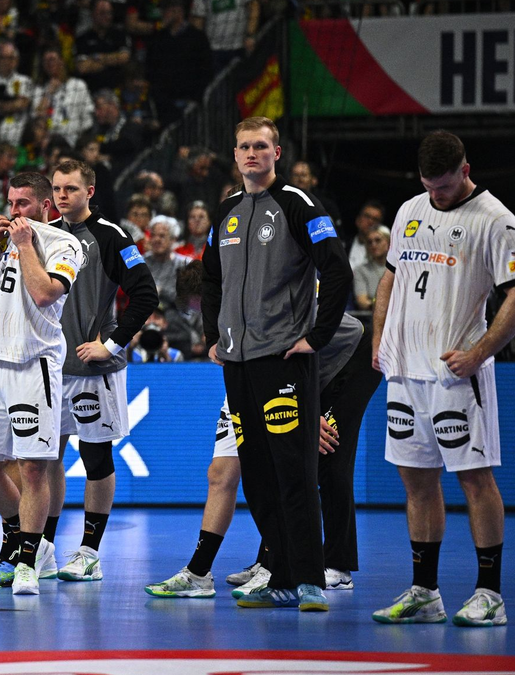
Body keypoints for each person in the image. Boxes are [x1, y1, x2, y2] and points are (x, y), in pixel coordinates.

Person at [370, 130, 515, 627]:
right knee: (416, 483)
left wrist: (478, 353)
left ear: (465, 171)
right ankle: (425, 592)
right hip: (405, 372)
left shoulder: (497, 221)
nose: (435, 196)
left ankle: (490, 594)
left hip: (455, 377)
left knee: (474, 480)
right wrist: (380, 338)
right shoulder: (409, 210)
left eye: (442, 188)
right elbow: (391, 276)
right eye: (428, 186)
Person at [146, 263, 381, 599]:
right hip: (290, 372)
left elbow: (294, 356)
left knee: (328, 460)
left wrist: (306, 413)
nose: (200, 316)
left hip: (348, 359)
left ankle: (338, 566)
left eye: (201, 306)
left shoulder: (259, 303)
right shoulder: (230, 306)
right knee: (272, 461)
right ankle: (270, 558)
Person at [200, 116, 352, 612]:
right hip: (237, 362)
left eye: (260, 146)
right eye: (243, 146)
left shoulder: (298, 204)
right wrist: (213, 337)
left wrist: (316, 337)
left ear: (276, 152)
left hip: (283, 360)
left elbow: (336, 268)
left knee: (292, 470)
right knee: (259, 476)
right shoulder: (225, 212)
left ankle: (310, 579)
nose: (251, 154)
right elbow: (210, 280)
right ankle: (281, 576)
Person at [0, 170, 86, 596]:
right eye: (10, 203)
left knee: (33, 467)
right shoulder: (3, 242)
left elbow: (46, 292)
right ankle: (33, 543)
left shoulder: (64, 243)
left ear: (44, 206)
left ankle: (27, 560)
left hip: (36, 365)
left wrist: (26, 243)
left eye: (23, 204)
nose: (13, 212)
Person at [47, 160, 158, 582]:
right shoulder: (46, 233)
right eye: (57, 188)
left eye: (71, 188)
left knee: (95, 456)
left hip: (93, 369)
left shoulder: (111, 236)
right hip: (50, 368)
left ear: (89, 191)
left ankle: (89, 553)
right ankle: (44, 548)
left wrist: (109, 344)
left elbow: (146, 294)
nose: (62, 195)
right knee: (45, 458)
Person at [352, 225, 390, 312]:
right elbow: (362, 302)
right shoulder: (360, 270)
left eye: (378, 240)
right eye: (369, 242)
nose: (373, 245)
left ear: (388, 242)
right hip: (371, 317)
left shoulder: (399, 268)